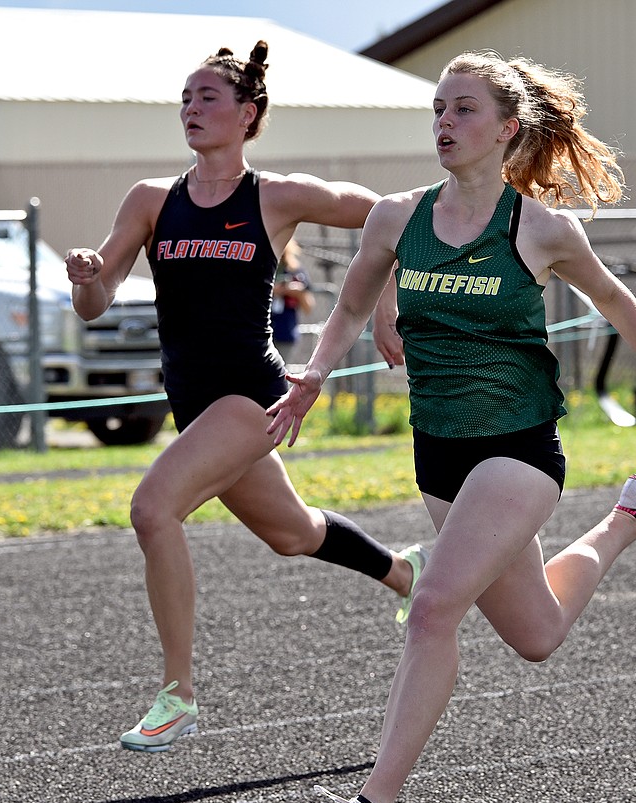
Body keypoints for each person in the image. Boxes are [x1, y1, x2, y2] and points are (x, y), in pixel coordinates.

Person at [267, 50, 636, 803]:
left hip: (518, 450)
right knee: (536, 633)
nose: (444, 122)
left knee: (434, 604)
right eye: (438, 107)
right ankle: (632, 515)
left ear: (506, 129)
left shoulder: (541, 227)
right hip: (438, 452)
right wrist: (314, 374)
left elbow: (613, 296)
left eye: (464, 109)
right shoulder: (397, 217)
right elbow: (358, 295)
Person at [65, 41, 426, 755]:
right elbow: (95, 305)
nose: (192, 110)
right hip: (195, 406)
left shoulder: (276, 196)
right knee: (293, 534)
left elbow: (398, 217)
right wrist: (85, 275)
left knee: (151, 509)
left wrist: (386, 305)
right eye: (185, 99)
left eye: (208, 98)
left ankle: (178, 695)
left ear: (247, 114)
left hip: (249, 398)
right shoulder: (150, 201)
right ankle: (405, 572)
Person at [271, 239, 315, 363]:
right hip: (259, 331)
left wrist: (296, 291)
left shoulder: (295, 270)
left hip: (284, 331)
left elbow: (309, 307)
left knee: (279, 370)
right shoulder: (261, 266)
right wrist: (273, 290)